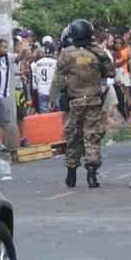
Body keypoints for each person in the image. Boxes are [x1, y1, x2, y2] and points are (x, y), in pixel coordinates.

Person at [49, 19, 114, 188]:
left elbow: (58, 80)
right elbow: (111, 72)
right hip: (94, 101)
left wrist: (52, 98)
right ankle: (92, 177)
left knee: (73, 137)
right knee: (91, 136)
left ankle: (71, 175)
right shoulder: (98, 52)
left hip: (74, 102)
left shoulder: (66, 53)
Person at [31, 42, 57, 113]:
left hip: (41, 90)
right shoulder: (55, 62)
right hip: (53, 91)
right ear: (53, 52)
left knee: (45, 116)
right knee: (55, 115)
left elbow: (35, 80)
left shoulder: (37, 63)